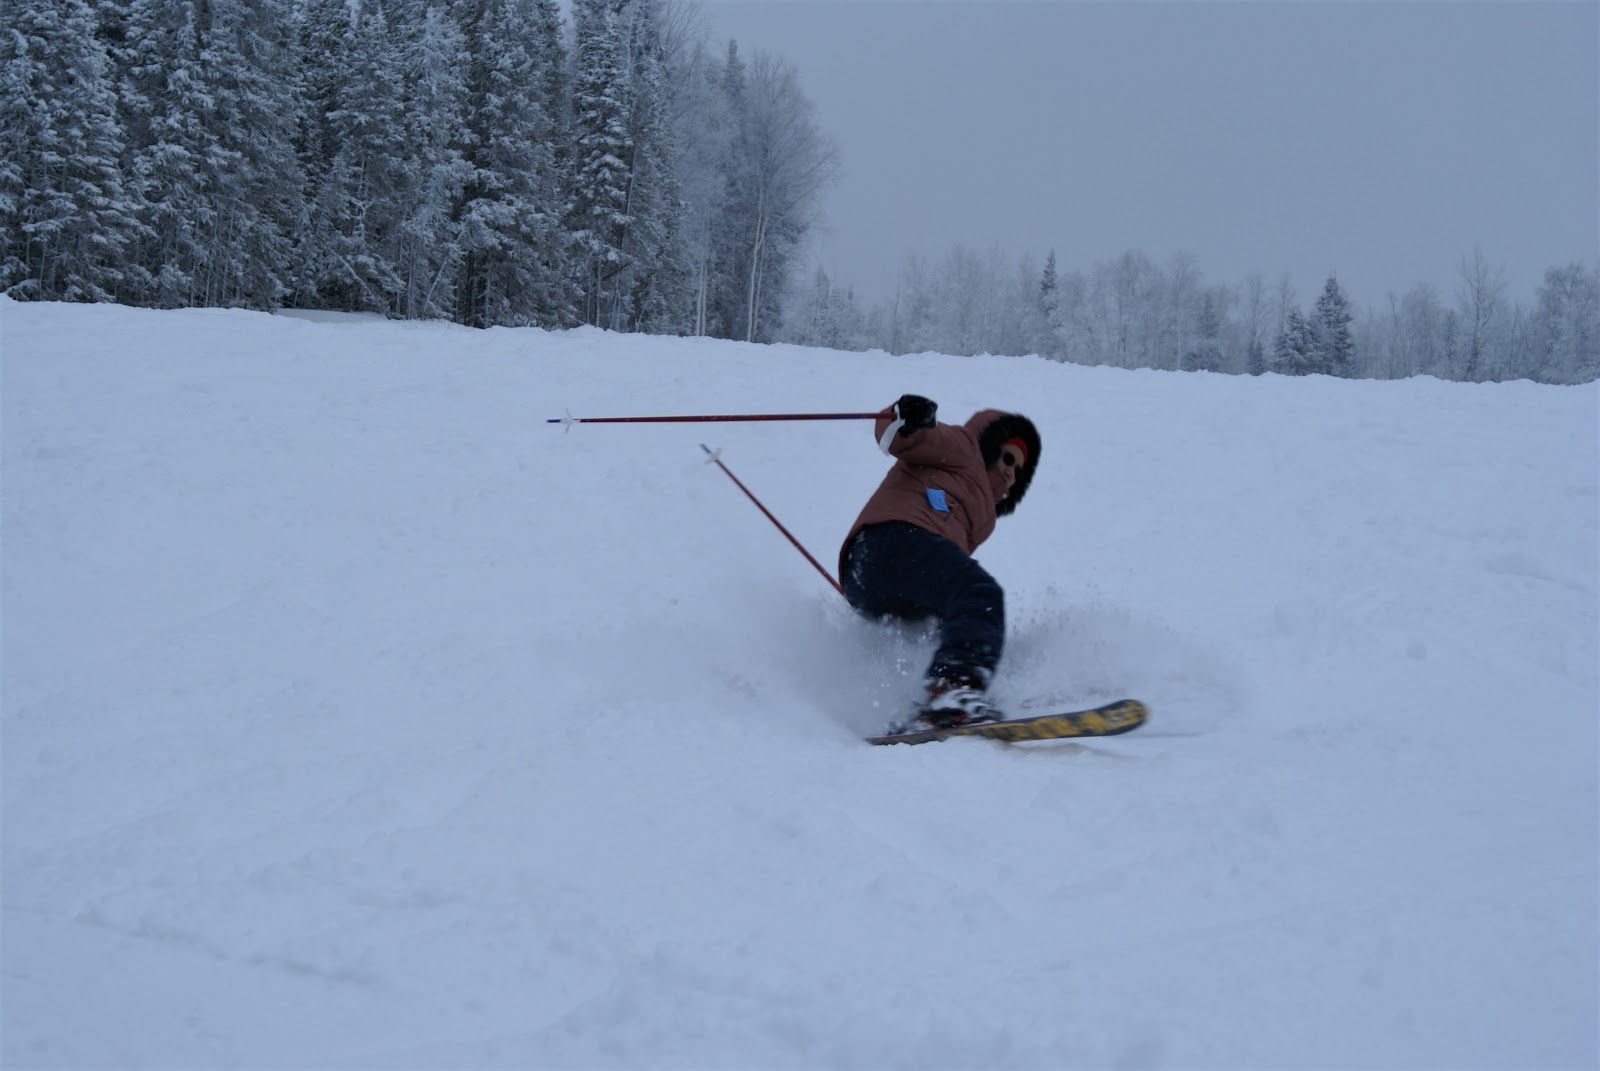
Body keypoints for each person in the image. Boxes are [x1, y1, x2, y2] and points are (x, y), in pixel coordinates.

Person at [838, 393, 1042, 735]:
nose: (1010, 470)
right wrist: (907, 417)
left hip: (871, 585)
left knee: (946, 623)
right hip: (889, 541)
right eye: (1008, 457)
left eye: (1018, 470)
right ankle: (953, 693)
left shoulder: (985, 517)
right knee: (979, 593)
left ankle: (928, 704)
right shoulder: (963, 447)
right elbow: (905, 438)